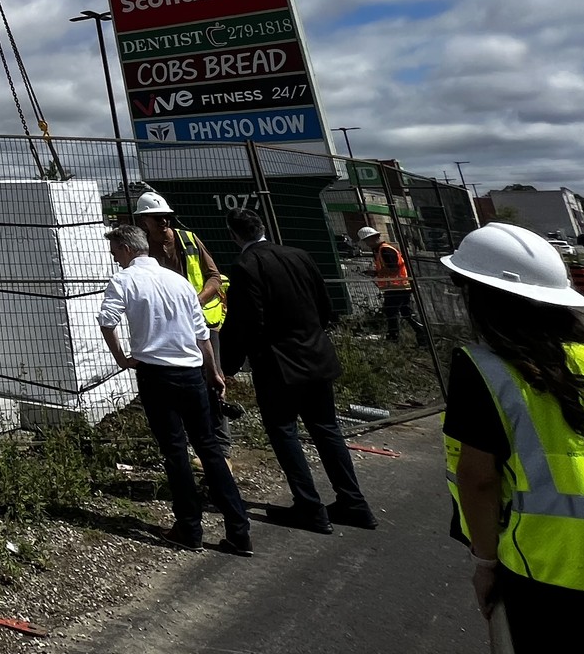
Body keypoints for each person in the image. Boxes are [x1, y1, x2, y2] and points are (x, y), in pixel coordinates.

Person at [441, 223, 584, 654]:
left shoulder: (483, 370)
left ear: (481, 298)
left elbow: (479, 479)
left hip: (555, 579)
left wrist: (485, 564)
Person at [97, 224, 253, 556]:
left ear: (126, 249)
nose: (114, 257)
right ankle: (240, 531)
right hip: (192, 373)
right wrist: (214, 372)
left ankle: (189, 528)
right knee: (209, 447)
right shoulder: (178, 281)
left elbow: (107, 321)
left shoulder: (124, 280)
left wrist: (122, 358)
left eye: (115, 251)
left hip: (156, 374)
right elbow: (201, 333)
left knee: (175, 450)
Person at [220, 207, 375, 534]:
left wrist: (227, 366)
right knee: (327, 429)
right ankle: (354, 503)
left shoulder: (246, 266)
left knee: (283, 431)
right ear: (262, 227)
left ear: (234, 236)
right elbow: (324, 305)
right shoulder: (299, 255)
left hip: (278, 363)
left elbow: (246, 322)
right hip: (316, 354)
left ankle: (309, 506)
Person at [135, 190, 241, 451]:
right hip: (167, 326)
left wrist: (196, 300)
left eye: (166, 216)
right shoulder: (143, 251)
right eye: (157, 217)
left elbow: (215, 277)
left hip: (201, 320)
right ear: (144, 221)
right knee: (177, 381)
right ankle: (193, 440)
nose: (163, 221)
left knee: (212, 376)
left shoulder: (189, 240)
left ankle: (221, 446)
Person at [359, 225, 426, 343]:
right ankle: (421, 333)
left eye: (366, 241)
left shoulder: (385, 250)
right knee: (405, 312)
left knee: (391, 311)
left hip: (397, 287)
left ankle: (393, 336)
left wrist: (376, 273)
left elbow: (393, 268)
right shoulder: (381, 250)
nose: (367, 244)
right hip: (400, 286)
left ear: (372, 238)